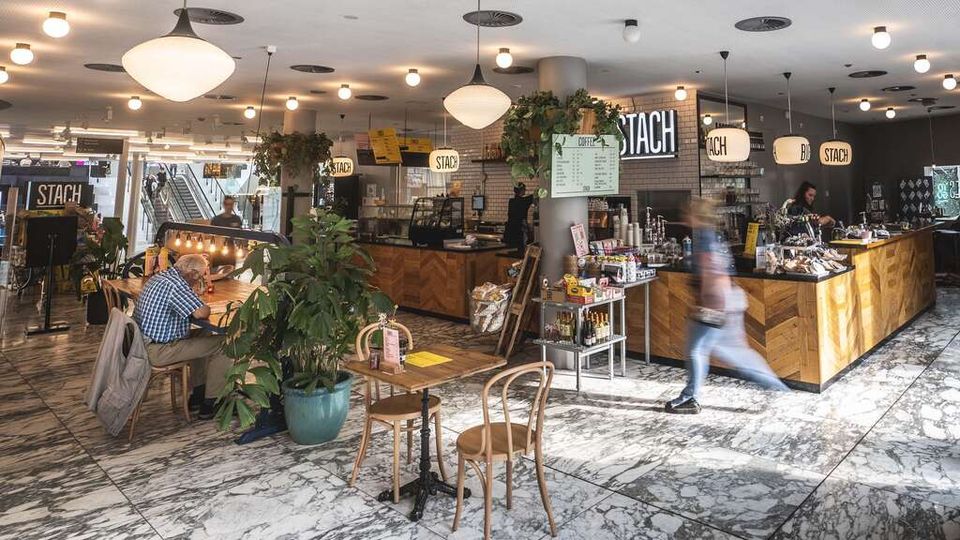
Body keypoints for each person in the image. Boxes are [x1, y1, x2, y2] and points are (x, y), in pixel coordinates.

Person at [665, 198, 788, 414]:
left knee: (697, 351)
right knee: (736, 353)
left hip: (716, 301)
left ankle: (690, 397)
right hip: (728, 299)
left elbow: (713, 272)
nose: (685, 218)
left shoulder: (705, 238)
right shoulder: (712, 235)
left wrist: (709, 306)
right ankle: (776, 387)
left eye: (688, 213)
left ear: (696, 216)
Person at [133, 254, 233, 420]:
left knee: (204, 333)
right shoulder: (176, 285)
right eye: (200, 276)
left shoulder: (162, 277)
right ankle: (212, 402)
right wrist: (201, 302)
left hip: (144, 343)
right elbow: (201, 313)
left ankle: (198, 394)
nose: (200, 280)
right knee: (225, 344)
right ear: (192, 273)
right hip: (158, 350)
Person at [502, 182, 534, 254]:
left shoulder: (511, 201)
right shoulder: (524, 201)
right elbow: (534, 196)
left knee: (511, 253)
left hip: (510, 231)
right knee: (521, 251)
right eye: (524, 189)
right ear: (522, 191)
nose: (525, 191)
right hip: (520, 231)